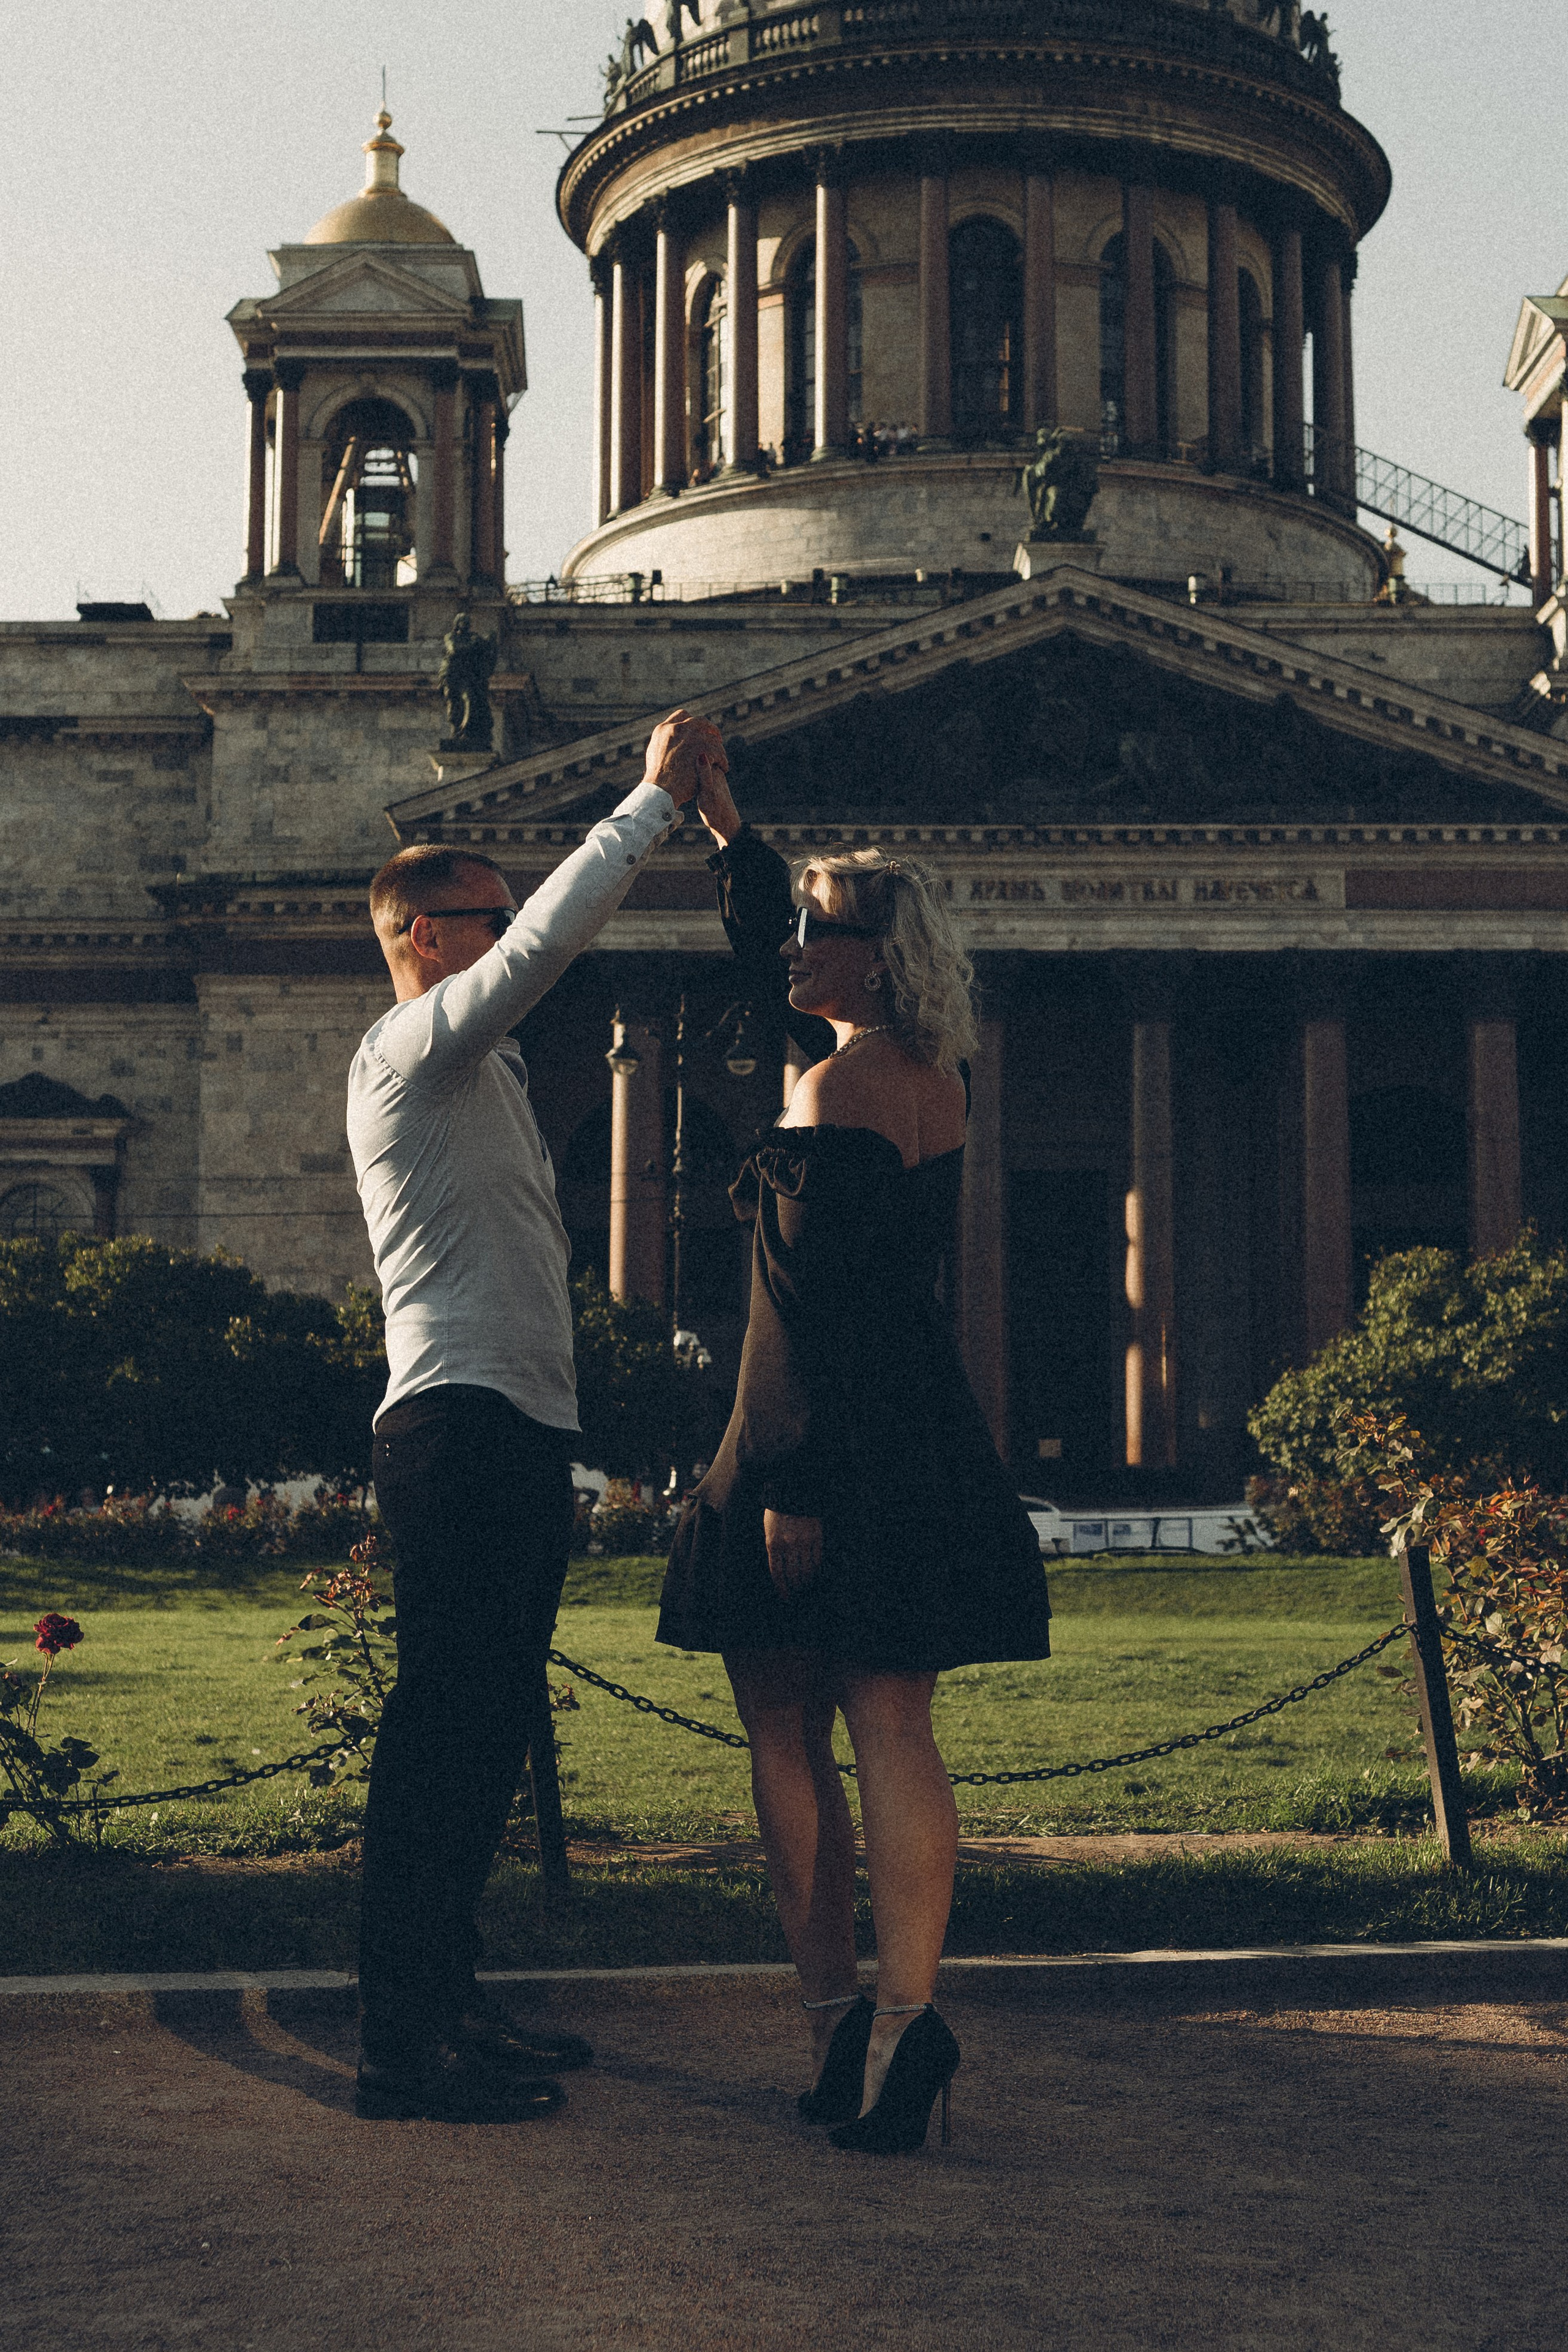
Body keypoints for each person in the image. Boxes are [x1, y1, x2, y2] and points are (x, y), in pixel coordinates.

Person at [658, 767, 1052, 2155]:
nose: (788, 949)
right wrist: (729, 838)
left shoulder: (829, 1094)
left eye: (815, 930)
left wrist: (788, 1484)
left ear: (873, 958)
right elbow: (762, 942)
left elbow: (800, 1313)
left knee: (786, 1730)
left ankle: (831, 2017)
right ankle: (902, 2021)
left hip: (810, 1442)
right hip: (918, 1433)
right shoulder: (929, 1071)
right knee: (896, 1722)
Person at [347, 708, 725, 2124]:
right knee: (443, 1734)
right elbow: (545, 950)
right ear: (425, 937)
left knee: (485, 1729)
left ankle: (445, 1998)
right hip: (456, 1423)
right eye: (484, 919)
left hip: (507, 1423)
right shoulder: (415, 1050)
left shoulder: (478, 1068)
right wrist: (642, 812)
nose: (507, 936)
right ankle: (400, 2045)